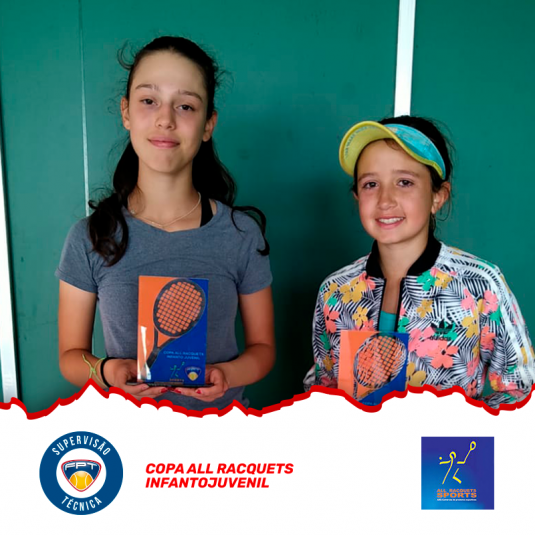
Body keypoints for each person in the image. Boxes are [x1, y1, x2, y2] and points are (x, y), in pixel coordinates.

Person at [56, 36, 275, 410]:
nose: (165, 119)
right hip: (130, 440)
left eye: (186, 106)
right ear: (126, 112)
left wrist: (227, 375)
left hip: (223, 437)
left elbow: (263, 349)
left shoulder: (240, 234)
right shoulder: (89, 237)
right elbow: (70, 358)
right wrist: (108, 372)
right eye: (149, 100)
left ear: (208, 124)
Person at [304, 116, 534, 408]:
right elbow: (323, 387)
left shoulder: (479, 284)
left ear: (438, 196)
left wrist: (456, 432)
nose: (385, 200)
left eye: (405, 182)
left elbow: (522, 391)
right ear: (356, 197)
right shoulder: (335, 291)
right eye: (371, 184)